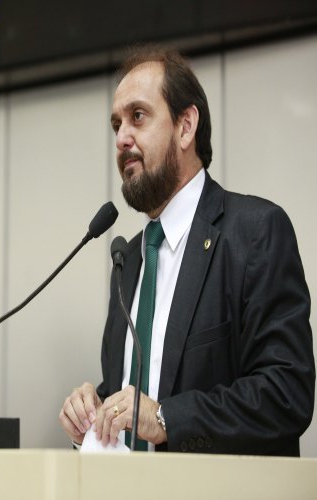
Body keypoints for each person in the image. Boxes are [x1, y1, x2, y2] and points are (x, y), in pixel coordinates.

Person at [59, 44, 315, 456]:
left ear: (185, 126)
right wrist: (92, 415)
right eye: (116, 124)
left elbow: (286, 393)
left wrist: (166, 420)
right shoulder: (129, 259)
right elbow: (142, 397)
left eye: (138, 117)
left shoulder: (254, 233)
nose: (122, 138)